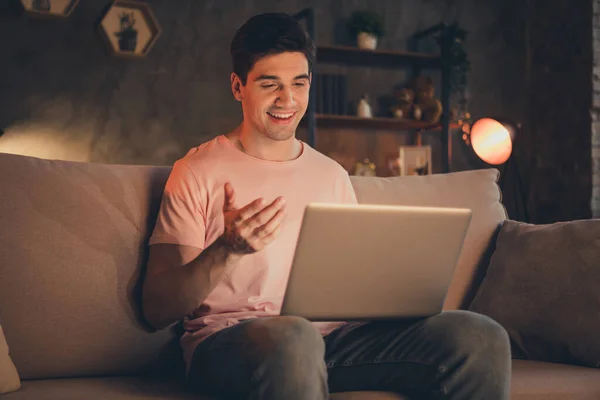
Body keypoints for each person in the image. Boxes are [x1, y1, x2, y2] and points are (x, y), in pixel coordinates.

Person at [142, 12, 511, 400]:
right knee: (294, 335)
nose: (288, 100)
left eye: (299, 84)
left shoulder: (330, 173)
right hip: (230, 345)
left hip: (331, 343)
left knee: (478, 335)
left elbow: (348, 283)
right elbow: (157, 308)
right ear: (238, 86)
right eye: (271, 85)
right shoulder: (196, 171)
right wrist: (227, 250)